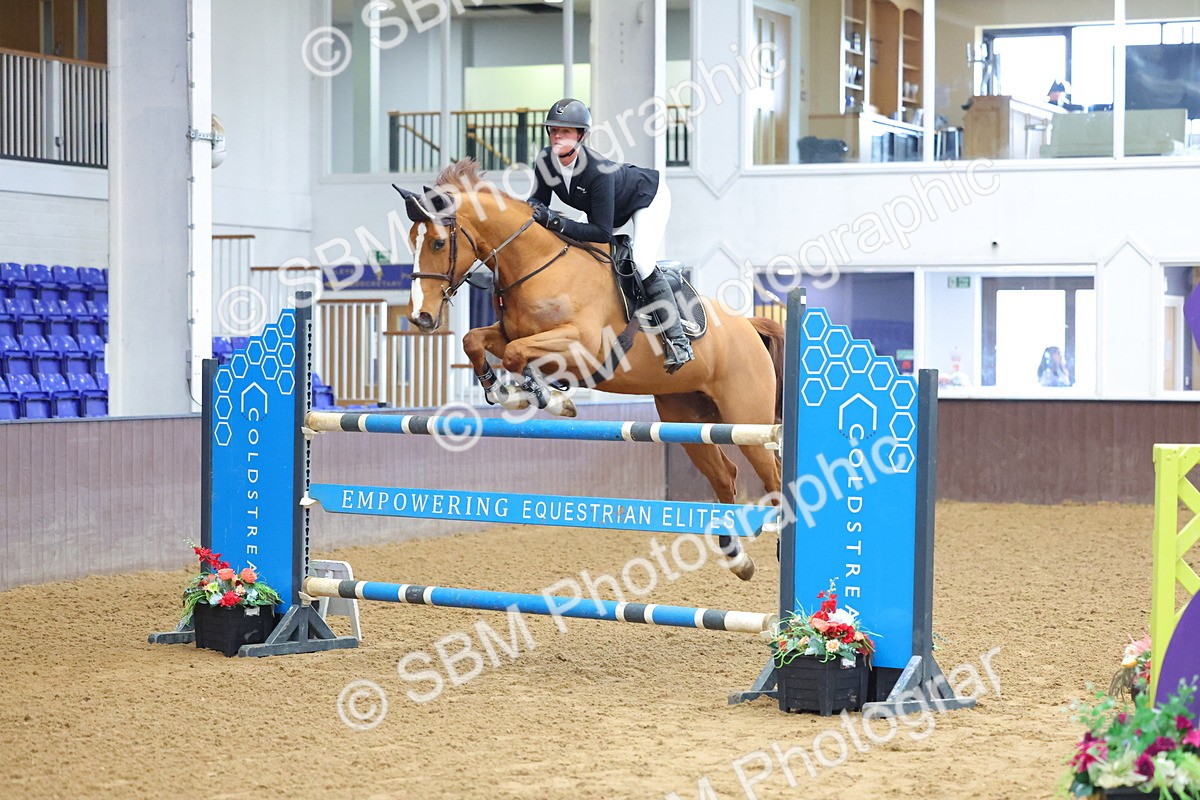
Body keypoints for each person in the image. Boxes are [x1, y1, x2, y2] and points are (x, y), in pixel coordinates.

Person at [526, 98, 693, 373]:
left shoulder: (596, 172)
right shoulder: (546, 160)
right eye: (554, 130)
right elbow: (538, 201)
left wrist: (556, 222)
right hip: (605, 208)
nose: (558, 136)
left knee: (641, 260)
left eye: (565, 132)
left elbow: (602, 233)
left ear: (581, 136)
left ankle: (678, 339)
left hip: (645, 196)